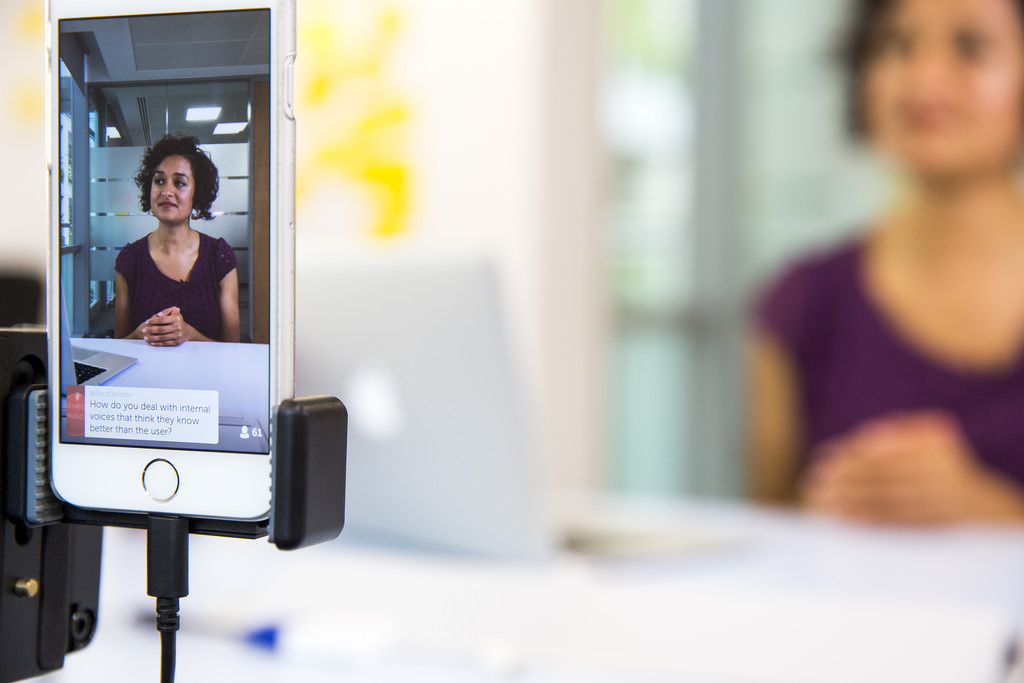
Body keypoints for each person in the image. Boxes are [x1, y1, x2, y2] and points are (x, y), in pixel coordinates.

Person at [750, 0, 1024, 524]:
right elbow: (770, 537)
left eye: (971, 48)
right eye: (895, 44)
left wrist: (984, 509)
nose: (924, 78)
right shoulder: (802, 302)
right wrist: (835, 505)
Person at [114, 135, 240, 346]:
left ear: (196, 193)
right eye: (159, 181)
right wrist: (139, 335)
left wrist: (189, 335)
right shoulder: (130, 259)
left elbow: (233, 347)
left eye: (179, 183)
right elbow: (117, 346)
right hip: (145, 378)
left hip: (206, 378)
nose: (167, 191)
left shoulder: (219, 256)